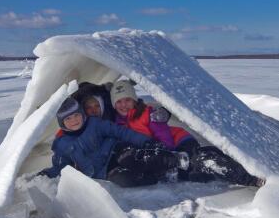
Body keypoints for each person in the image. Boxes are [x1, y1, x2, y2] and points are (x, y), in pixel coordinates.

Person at [110, 80, 265, 187]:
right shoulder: (117, 123)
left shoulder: (148, 113)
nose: (124, 105)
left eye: (127, 100)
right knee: (194, 172)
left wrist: (169, 155)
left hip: (178, 142)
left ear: (134, 100)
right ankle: (229, 162)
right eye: (119, 102)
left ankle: (251, 178)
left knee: (202, 161)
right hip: (162, 153)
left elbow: (165, 137)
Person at [41, 97, 190, 187]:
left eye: (76, 115)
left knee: (131, 158)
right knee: (124, 180)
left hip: (116, 150)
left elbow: (121, 132)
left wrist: (146, 142)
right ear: (61, 123)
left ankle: (175, 160)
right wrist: (45, 175)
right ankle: (162, 174)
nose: (74, 120)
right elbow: (60, 166)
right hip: (103, 171)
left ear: (82, 114)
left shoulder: (95, 124)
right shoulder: (61, 144)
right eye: (68, 118)